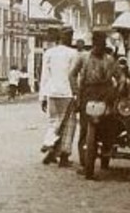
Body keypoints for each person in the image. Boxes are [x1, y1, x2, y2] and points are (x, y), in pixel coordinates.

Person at [73, 33, 119, 180]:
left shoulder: (110, 60)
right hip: (87, 92)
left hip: (105, 93)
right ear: (93, 43)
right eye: (97, 43)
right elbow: (72, 74)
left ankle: (106, 152)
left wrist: (118, 89)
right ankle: (84, 162)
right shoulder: (83, 58)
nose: (99, 46)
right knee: (85, 128)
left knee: (108, 124)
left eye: (102, 43)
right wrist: (75, 92)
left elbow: (119, 76)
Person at [39, 28, 79, 165]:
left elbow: (44, 76)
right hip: (67, 93)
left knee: (53, 121)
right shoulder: (74, 53)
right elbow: (75, 76)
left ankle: (50, 146)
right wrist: (77, 93)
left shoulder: (49, 53)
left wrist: (43, 97)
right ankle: (63, 156)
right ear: (69, 37)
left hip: (51, 92)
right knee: (68, 125)